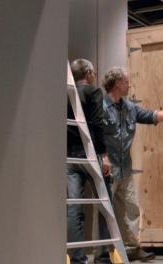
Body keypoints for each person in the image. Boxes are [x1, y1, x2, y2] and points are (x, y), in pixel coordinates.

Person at [96, 67, 163, 262]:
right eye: (127, 81)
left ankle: (132, 248)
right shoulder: (100, 106)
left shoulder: (129, 107)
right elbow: (95, 135)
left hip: (125, 169)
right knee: (106, 212)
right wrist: (103, 158)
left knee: (131, 208)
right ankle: (103, 253)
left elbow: (151, 116)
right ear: (118, 83)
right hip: (107, 169)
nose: (129, 84)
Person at [67, 59, 112, 264]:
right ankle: (103, 255)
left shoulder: (65, 92)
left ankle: (77, 259)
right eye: (93, 72)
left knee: (74, 207)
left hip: (69, 156)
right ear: (88, 73)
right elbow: (96, 124)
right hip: (89, 154)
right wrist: (103, 155)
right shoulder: (92, 92)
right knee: (104, 205)